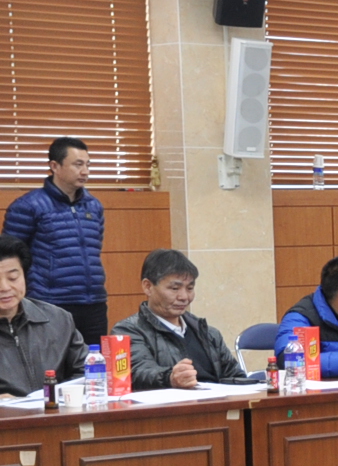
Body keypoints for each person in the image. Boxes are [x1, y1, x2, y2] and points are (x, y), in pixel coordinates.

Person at [3, 137, 108, 342]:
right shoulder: (28, 206)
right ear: (55, 166)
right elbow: (9, 257)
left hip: (93, 302)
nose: (85, 171)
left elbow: (94, 249)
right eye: (78, 164)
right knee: (52, 359)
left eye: (88, 165)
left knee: (94, 359)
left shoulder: (94, 206)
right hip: (49, 302)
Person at [113, 249, 247, 389]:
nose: (184, 297)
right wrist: (170, 378)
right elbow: (138, 373)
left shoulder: (208, 333)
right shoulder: (127, 331)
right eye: (174, 288)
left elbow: (236, 377)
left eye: (190, 288)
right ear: (148, 287)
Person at [0, 234, 86, 397]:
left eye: (13, 278)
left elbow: (85, 373)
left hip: (54, 410)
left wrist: (58, 397)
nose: (4, 287)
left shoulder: (58, 319)